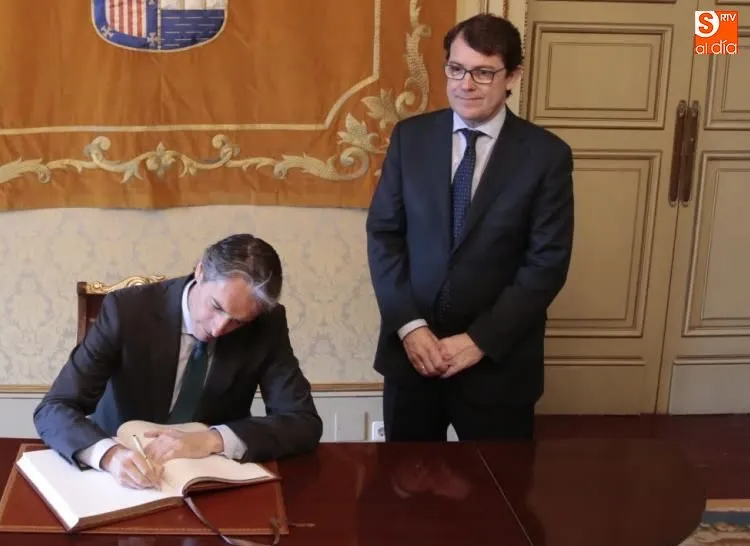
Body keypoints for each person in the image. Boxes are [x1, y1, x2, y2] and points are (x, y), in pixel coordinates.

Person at [365, 13, 574, 442]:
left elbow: (546, 265)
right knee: (405, 495)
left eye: (483, 72)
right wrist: (409, 326)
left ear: (512, 75)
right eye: (456, 69)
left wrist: (480, 340)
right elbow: (384, 237)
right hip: (413, 356)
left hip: (498, 363)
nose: (465, 84)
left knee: (500, 500)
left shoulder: (546, 156)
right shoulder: (411, 137)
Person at [33, 233, 323, 489]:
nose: (219, 328)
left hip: (207, 479)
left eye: (238, 322)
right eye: (216, 307)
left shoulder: (267, 325)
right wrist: (108, 455)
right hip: (119, 478)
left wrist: (212, 439)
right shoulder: (127, 310)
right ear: (200, 271)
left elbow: (303, 422)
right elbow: (54, 408)